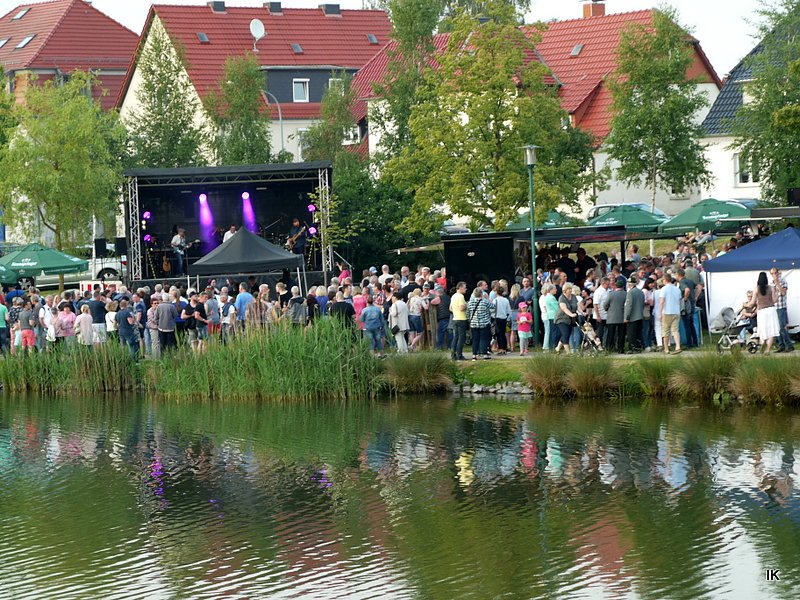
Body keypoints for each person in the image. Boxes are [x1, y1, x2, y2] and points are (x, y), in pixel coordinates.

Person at [745, 271, 780, 354]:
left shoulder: (756, 289)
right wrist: (777, 294)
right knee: (772, 330)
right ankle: (767, 350)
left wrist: (746, 305)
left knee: (763, 329)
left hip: (761, 311)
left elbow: (752, 302)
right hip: (771, 310)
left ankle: (763, 342)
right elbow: (774, 300)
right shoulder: (771, 287)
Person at [770, 268, 794, 352]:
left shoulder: (783, 281)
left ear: (778, 273)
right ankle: (781, 345)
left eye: (775, 273)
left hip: (781, 307)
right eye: (772, 273)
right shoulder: (771, 283)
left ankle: (789, 345)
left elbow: (783, 292)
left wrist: (777, 283)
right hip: (774, 307)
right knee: (776, 328)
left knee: (782, 327)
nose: (774, 275)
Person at [659, 274, 682, 354]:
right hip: (676, 311)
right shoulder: (677, 289)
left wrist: (660, 313)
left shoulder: (663, 289)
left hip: (667, 312)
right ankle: (678, 346)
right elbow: (679, 301)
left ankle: (666, 348)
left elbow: (662, 302)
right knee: (675, 330)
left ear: (665, 280)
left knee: (665, 331)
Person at [467, 286, 492, 360]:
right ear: (481, 294)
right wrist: (487, 299)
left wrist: (470, 320)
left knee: (475, 339)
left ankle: (474, 355)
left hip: (474, 324)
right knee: (483, 339)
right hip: (484, 323)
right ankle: (484, 354)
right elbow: (493, 306)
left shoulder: (470, 302)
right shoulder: (485, 301)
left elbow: (467, 313)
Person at [603, 277, 627, 354]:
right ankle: (620, 349)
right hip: (622, 317)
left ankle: (608, 349)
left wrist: (607, 309)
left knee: (610, 334)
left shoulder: (611, 294)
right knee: (621, 334)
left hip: (611, 317)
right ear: (623, 286)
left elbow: (605, 305)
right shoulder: (626, 294)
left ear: (616, 286)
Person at [554, 284, 579, 354]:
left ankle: (557, 348)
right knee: (565, 334)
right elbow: (564, 308)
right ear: (565, 290)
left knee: (567, 334)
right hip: (561, 318)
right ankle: (568, 352)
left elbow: (577, 306)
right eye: (569, 289)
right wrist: (571, 314)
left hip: (570, 319)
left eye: (571, 289)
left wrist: (582, 312)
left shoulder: (573, 297)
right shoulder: (561, 298)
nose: (570, 290)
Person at [624, 276, 645, 353]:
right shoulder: (640, 292)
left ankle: (632, 348)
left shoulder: (630, 292)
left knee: (631, 334)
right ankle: (638, 347)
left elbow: (629, 306)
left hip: (632, 317)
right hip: (639, 315)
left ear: (629, 284)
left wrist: (627, 317)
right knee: (638, 333)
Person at [450, 281, 468, 361]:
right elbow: (461, 308)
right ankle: (459, 354)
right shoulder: (460, 296)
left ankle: (453, 354)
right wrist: (466, 305)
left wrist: (455, 311)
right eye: (464, 288)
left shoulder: (453, 296)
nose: (466, 289)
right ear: (460, 288)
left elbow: (450, 308)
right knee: (461, 338)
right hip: (461, 318)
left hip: (455, 318)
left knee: (455, 337)